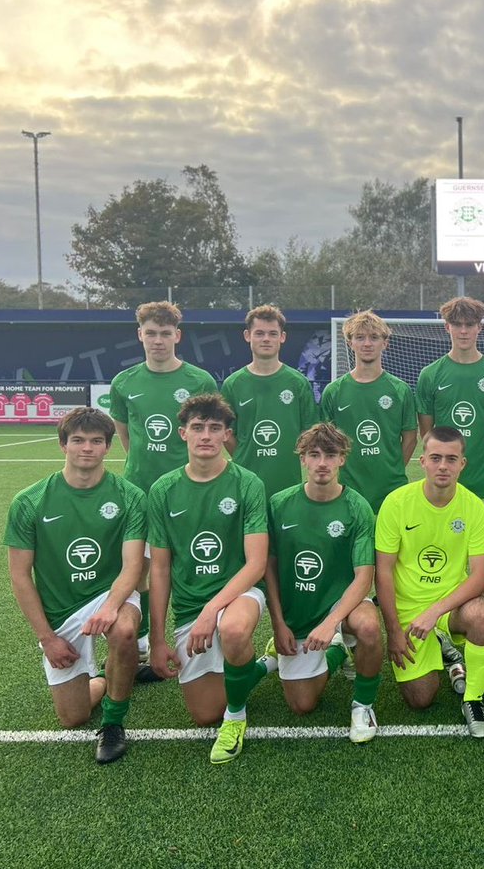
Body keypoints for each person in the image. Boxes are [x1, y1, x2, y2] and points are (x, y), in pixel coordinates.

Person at [4, 408, 146, 763]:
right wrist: (47, 638)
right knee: (73, 717)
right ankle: (107, 678)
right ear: (63, 445)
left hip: (110, 593)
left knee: (124, 632)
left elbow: (133, 567)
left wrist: (112, 606)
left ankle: (113, 723)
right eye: (78, 440)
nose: (87, 448)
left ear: (108, 447)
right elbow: (21, 577)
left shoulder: (130, 497)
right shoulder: (30, 502)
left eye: (97, 441)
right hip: (61, 610)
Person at [146, 394, 275, 764]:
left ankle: (236, 720)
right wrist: (157, 640)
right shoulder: (163, 490)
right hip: (190, 606)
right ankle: (263, 665)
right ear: (183, 433)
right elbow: (159, 569)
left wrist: (212, 611)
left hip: (240, 593)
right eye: (198, 428)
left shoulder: (247, 483)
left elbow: (256, 563)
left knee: (232, 630)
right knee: (204, 715)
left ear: (226, 435)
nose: (206, 435)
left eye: (215, 428)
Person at [109, 301, 217, 677]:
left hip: (187, 491)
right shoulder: (123, 383)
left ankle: (199, 634)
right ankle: (140, 643)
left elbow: (208, 431)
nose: (158, 340)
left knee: (190, 563)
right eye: (151, 333)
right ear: (140, 334)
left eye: (165, 333)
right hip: (140, 491)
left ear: (178, 336)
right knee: (139, 569)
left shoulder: (200, 381)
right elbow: (127, 437)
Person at [374, 428, 484, 737]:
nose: (443, 465)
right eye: (436, 458)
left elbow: (481, 575)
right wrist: (393, 631)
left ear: (462, 464)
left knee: (482, 615)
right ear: (422, 461)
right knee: (420, 699)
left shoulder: (473, 507)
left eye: (451, 459)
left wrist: (436, 611)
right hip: (409, 611)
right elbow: (384, 572)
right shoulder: (396, 503)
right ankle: (450, 657)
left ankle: (473, 699)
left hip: (449, 607)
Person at [266, 423, 383, 742]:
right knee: (302, 705)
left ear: (342, 459)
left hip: (343, 607)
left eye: (330, 455)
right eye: (313, 454)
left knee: (370, 626)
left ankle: (362, 705)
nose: (322, 463)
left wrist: (332, 622)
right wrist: (277, 624)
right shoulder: (278, 505)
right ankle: (336, 654)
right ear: (302, 459)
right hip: (298, 614)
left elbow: (364, 578)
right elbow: (269, 569)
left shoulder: (357, 507)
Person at [416, 296, 484, 655]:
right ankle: (446, 628)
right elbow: (428, 433)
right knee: (445, 555)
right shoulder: (431, 375)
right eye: (457, 325)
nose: (464, 330)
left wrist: (477, 458)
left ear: (479, 328)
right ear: (448, 328)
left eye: (470, 324)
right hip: (443, 490)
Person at [320, 310, 417, 514]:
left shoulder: (400, 390)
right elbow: (326, 442)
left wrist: (393, 469)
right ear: (350, 342)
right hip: (348, 489)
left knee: (390, 546)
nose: (367, 344)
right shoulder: (334, 391)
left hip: (391, 490)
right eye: (360, 337)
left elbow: (409, 438)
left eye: (374, 337)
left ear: (385, 343)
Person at [222, 304, 317, 496]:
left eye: (273, 333)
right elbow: (226, 433)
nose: (266, 339)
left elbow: (310, 434)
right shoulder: (232, 384)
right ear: (247, 336)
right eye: (259, 333)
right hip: (246, 484)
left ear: (282, 337)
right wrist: (244, 456)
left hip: (288, 485)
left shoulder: (298, 383)